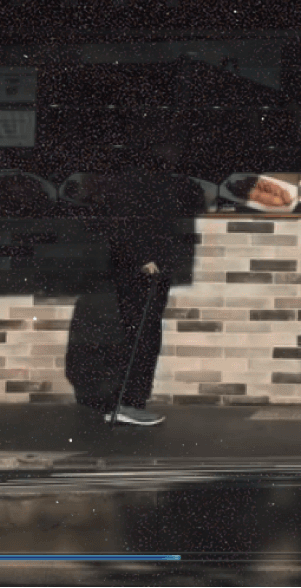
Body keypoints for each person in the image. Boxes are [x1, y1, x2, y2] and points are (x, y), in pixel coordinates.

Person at [95, 140, 201, 427]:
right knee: (142, 335)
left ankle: (129, 401)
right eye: (169, 148)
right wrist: (145, 258)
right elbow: (123, 223)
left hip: (146, 266)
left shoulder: (148, 181)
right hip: (141, 270)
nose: (175, 152)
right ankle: (128, 403)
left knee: (143, 334)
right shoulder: (136, 182)